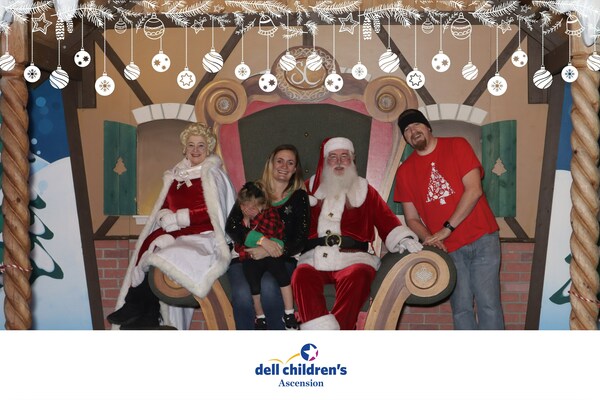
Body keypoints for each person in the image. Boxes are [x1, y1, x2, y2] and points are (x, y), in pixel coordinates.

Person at [107, 122, 236, 330]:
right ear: (184, 148)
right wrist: (165, 215)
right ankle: (145, 314)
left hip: (203, 236)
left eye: (201, 145)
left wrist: (179, 218)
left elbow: (214, 213)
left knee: (165, 257)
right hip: (178, 233)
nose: (195, 150)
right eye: (191, 145)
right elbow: (165, 204)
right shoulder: (176, 174)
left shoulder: (213, 175)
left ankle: (137, 306)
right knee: (149, 250)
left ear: (209, 148)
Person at [292, 137, 422, 330]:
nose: (338, 162)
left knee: (358, 275)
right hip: (314, 257)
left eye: (344, 156)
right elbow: (292, 225)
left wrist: (403, 238)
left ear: (352, 160)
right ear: (325, 161)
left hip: (354, 257)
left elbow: (385, 219)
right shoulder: (308, 189)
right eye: (333, 157)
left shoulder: (365, 190)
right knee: (301, 275)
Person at [394, 108, 504, 330]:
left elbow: (474, 190)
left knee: (489, 304)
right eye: (406, 130)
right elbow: (411, 218)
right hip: (448, 249)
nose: (412, 131)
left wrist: (446, 229)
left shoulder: (457, 145)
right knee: (461, 308)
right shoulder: (404, 171)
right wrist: (431, 238)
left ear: (428, 127)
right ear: (405, 138)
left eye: (416, 125)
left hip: (482, 238)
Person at [225, 144, 309, 330]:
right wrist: (262, 241)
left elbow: (300, 239)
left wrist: (269, 250)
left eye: (290, 163)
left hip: (282, 258)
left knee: (269, 287)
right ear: (271, 163)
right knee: (242, 292)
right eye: (280, 161)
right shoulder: (253, 191)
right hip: (245, 256)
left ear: (295, 168)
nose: (284, 166)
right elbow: (232, 226)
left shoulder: (299, 197)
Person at [226, 181, 298, 330]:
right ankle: (260, 317)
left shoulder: (270, 214)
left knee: (271, 284)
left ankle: (288, 314)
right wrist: (247, 227)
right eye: (244, 207)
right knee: (246, 288)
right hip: (249, 259)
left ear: (262, 205)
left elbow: (273, 235)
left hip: (273, 255)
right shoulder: (242, 217)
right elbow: (237, 238)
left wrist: (258, 239)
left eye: (253, 207)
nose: (248, 210)